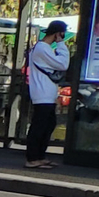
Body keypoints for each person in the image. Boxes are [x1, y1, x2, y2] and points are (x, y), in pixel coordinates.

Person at [22, 21, 71, 169]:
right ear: (58, 33)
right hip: (42, 93)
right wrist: (61, 45)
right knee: (39, 126)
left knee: (48, 124)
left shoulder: (44, 48)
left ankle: (40, 155)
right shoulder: (42, 49)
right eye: (62, 34)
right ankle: (32, 158)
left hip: (46, 94)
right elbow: (63, 64)